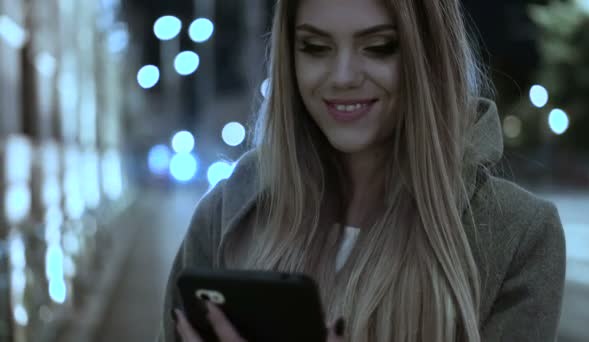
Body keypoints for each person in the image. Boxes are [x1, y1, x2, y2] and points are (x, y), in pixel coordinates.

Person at [158, 0, 566, 341]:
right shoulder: (228, 214)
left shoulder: (518, 234)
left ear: (428, 55)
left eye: (379, 47)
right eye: (315, 48)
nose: (343, 77)